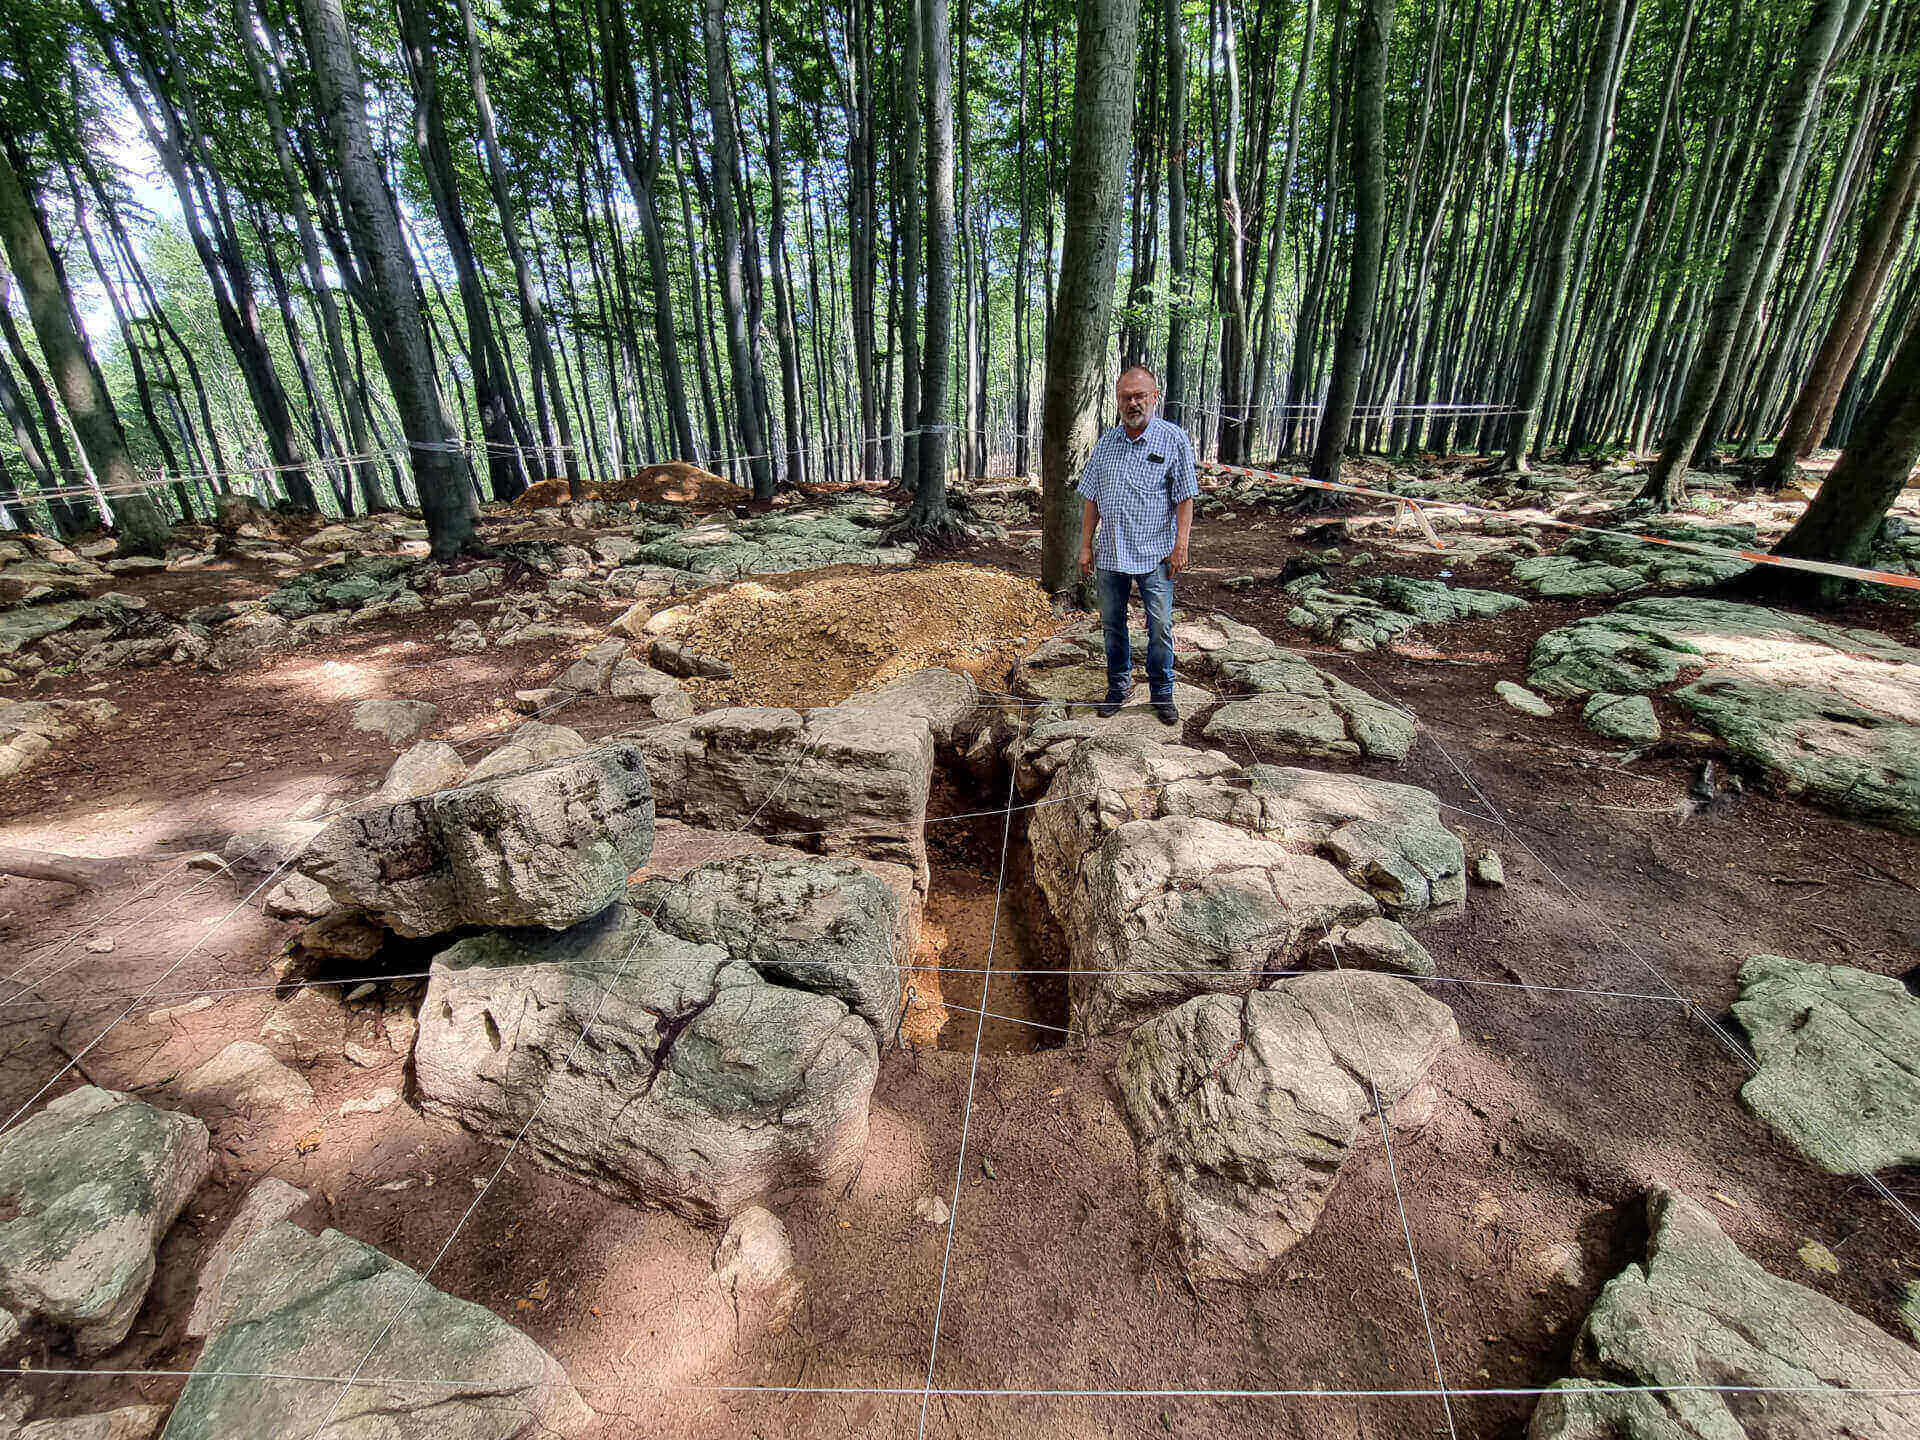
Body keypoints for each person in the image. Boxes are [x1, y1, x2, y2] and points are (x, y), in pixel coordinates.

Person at [1076, 365, 1197, 725]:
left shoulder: (1173, 439)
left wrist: (1181, 545)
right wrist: (1085, 547)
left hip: (1155, 553)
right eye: (1126, 396)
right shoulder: (1106, 443)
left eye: (1139, 395)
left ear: (1154, 397)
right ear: (1117, 400)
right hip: (1112, 553)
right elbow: (1091, 499)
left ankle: (1162, 693)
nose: (1133, 402)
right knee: (1113, 625)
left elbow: (1185, 497)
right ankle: (1119, 686)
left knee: (1159, 626)